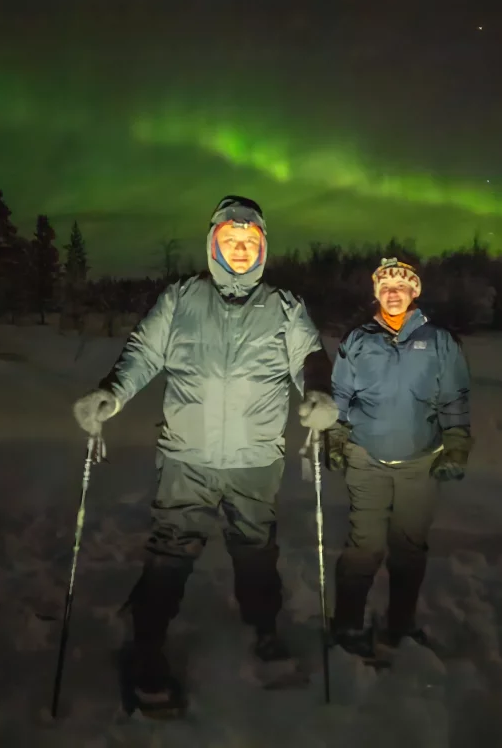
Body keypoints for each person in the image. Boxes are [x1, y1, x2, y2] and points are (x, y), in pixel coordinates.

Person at [71, 195, 338, 710]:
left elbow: (310, 357)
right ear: (213, 244)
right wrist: (113, 390)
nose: (240, 250)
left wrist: (320, 393)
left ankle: (263, 628)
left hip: (255, 460)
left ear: (262, 250)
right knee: (171, 551)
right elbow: (143, 353)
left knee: (256, 552)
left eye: (250, 243)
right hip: (186, 458)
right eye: (230, 241)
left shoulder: (284, 306)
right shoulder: (181, 298)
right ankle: (147, 643)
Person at [324, 257, 472, 657]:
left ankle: (400, 622)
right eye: (386, 286)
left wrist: (457, 441)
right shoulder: (357, 340)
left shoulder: (440, 341)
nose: (393, 292)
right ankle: (348, 623)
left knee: (409, 547)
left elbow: (454, 396)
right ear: (376, 293)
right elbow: (339, 395)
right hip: (365, 458)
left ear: (414, 292)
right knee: (364, 547)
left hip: (419, 461)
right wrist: (335, 437)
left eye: (401, 286)